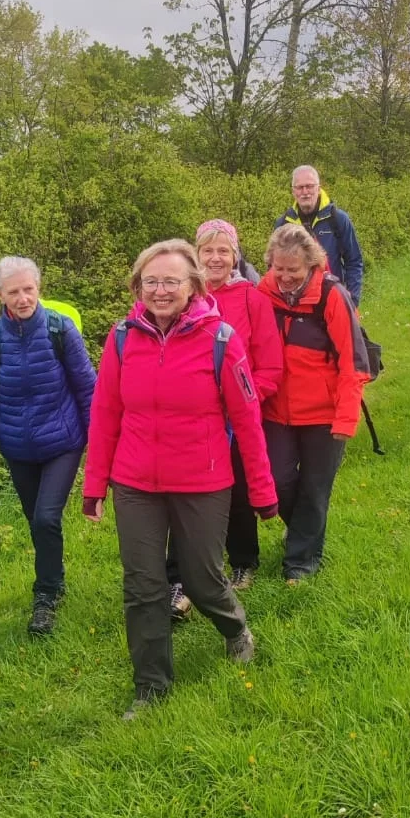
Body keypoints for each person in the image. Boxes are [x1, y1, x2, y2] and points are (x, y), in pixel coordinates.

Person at [82, 239, 278, 719]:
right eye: (150, 281)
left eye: (171, 281)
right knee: (143, 585)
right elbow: (105, 413)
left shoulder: (221, 339)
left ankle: (234, 628)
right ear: (138, 287)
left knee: (201, 579)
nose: (160, 290)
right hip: (135, 483)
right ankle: (151, 687)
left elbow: (247, 420)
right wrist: (94, 485)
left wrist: (262, 490)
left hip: (202, 482)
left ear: (193, 285)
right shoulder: (122, 337)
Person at [0, 256, 96, 636]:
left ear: (39, 289)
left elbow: (88, 388)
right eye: (14, 292)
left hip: (63, 441)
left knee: (46, 518)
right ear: (0, 295)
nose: (22, 298)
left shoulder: (60, 329)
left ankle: (46, 596)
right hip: (17, 446)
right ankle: (55, 576)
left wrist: (100, 452)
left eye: (28, 289)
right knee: (35, 522)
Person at [166, 219, 284, 608]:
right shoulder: (181, 297)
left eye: (223, 251)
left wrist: (243, 402)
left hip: (237, 416)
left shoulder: (252, 299)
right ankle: (178, 577)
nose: (215, 258)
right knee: (184, 496)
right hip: (191, 418)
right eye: (207, 250)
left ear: (235, 256)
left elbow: (270, 367)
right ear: (195, 255)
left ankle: (243, 561)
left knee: (238, 491)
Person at [257, 224, 369, 583]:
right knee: (277, 481)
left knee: (314, 489)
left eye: (294, 270)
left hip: (324, 414)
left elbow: (353, 362)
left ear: (312, 264)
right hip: (276, 411)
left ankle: (300, 564)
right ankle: (303, 532)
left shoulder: (332, 296)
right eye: (279, 268)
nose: (285, 277)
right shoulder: (262, 293)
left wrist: (345, 420)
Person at [275, 165, 364, 306]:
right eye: (300, 187)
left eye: (310, 186)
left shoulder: (338, 219)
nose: (305, 192)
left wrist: (352, 300)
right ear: (293, 191)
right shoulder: (283, 224)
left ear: (318, 188)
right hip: (297, 304)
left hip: (332, 300)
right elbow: (274, 267)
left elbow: (354, 261)